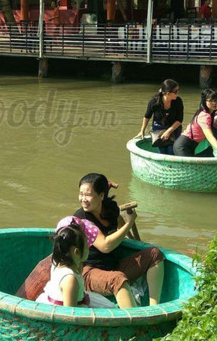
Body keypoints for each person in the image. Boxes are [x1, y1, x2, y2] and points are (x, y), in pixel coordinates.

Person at [74, 173, 164, 308]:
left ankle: (154, 309)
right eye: (81, 194)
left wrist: (129, 232)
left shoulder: (110, 209)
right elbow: (105, 246)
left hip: (113, 267)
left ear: (101, 196)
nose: (83, 199)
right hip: (89, 272)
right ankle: (136, 318)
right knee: (117, 279)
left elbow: (120, 228)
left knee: (154, 254)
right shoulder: (81, 217)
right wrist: (130, 223)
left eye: (88, 195)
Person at [34, 217, 115, 308]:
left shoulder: (58, 261)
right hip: (66, 309)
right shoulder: (70, 279)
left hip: (53, 300)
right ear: (76, 252)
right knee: (110, 307)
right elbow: (69, 312)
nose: (89, 248)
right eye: (86, 246)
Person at [173, 89, 217, 159]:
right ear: (204, 101)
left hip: (192, 145)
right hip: (183, 146)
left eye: (216, 100)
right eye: (211, 101)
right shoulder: (204, 116)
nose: (214, 103)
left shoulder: (209, 113)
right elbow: (209, 136)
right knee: (189, 166)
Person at [136, 79, 183, 155]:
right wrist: (142, 130)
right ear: (168, 93)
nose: (177, 93)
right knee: (162, 151)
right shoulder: (154, 102)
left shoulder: (178, 101)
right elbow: (147, 116)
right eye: (175, 91)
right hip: (159, 128)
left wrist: (168, 131)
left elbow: (179, 119)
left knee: (171, 150)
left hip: (174, 128)